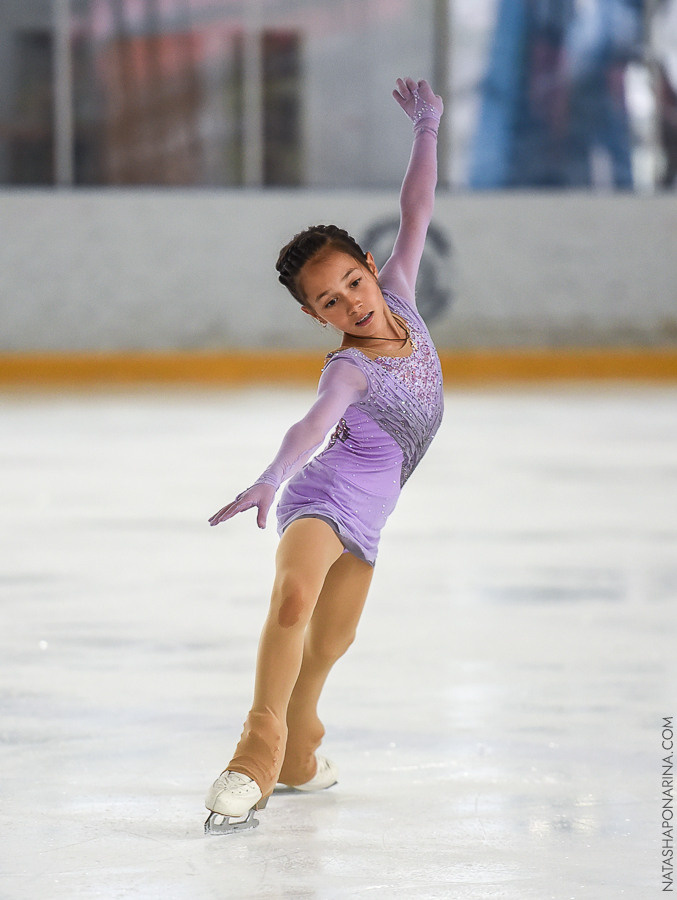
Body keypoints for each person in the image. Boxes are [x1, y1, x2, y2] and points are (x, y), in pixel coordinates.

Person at [204, 76, 445, 835]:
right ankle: (256, 753)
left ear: (371, 266)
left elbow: (416, 211)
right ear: (315, 319)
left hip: (371, 518)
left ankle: (301, 750)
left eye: (351, 280)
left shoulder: (400, 294)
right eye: (330, 303)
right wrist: (272, 477)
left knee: (331, 643)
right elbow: (312, 426)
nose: (351, 302)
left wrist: (426, 128)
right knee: (294, 602)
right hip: (321, 497)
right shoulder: (348, 367)